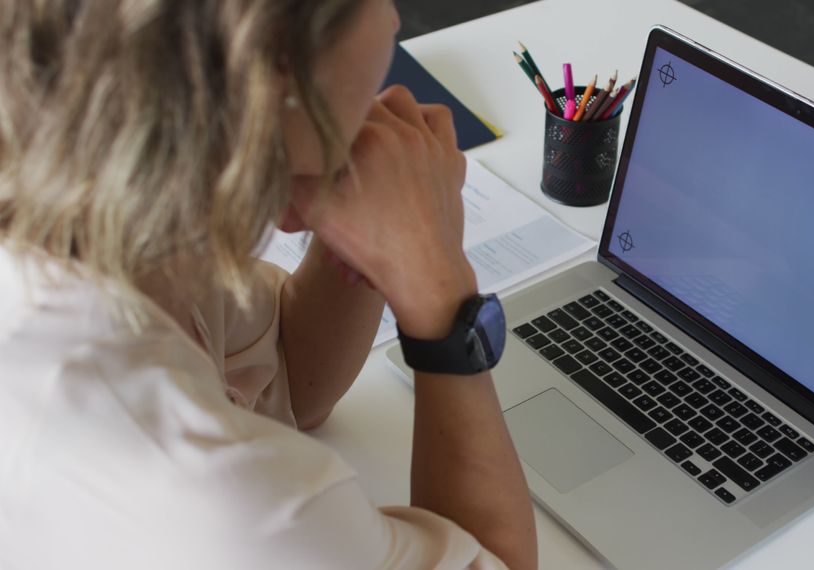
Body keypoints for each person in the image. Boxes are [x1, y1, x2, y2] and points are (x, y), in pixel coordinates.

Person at [0, 1, 537, 568]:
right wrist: (441, 296)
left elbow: (291, 377)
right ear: (274, 63)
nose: (397, 21)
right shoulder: (239, 504)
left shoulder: (100, 210)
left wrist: (371, 230)